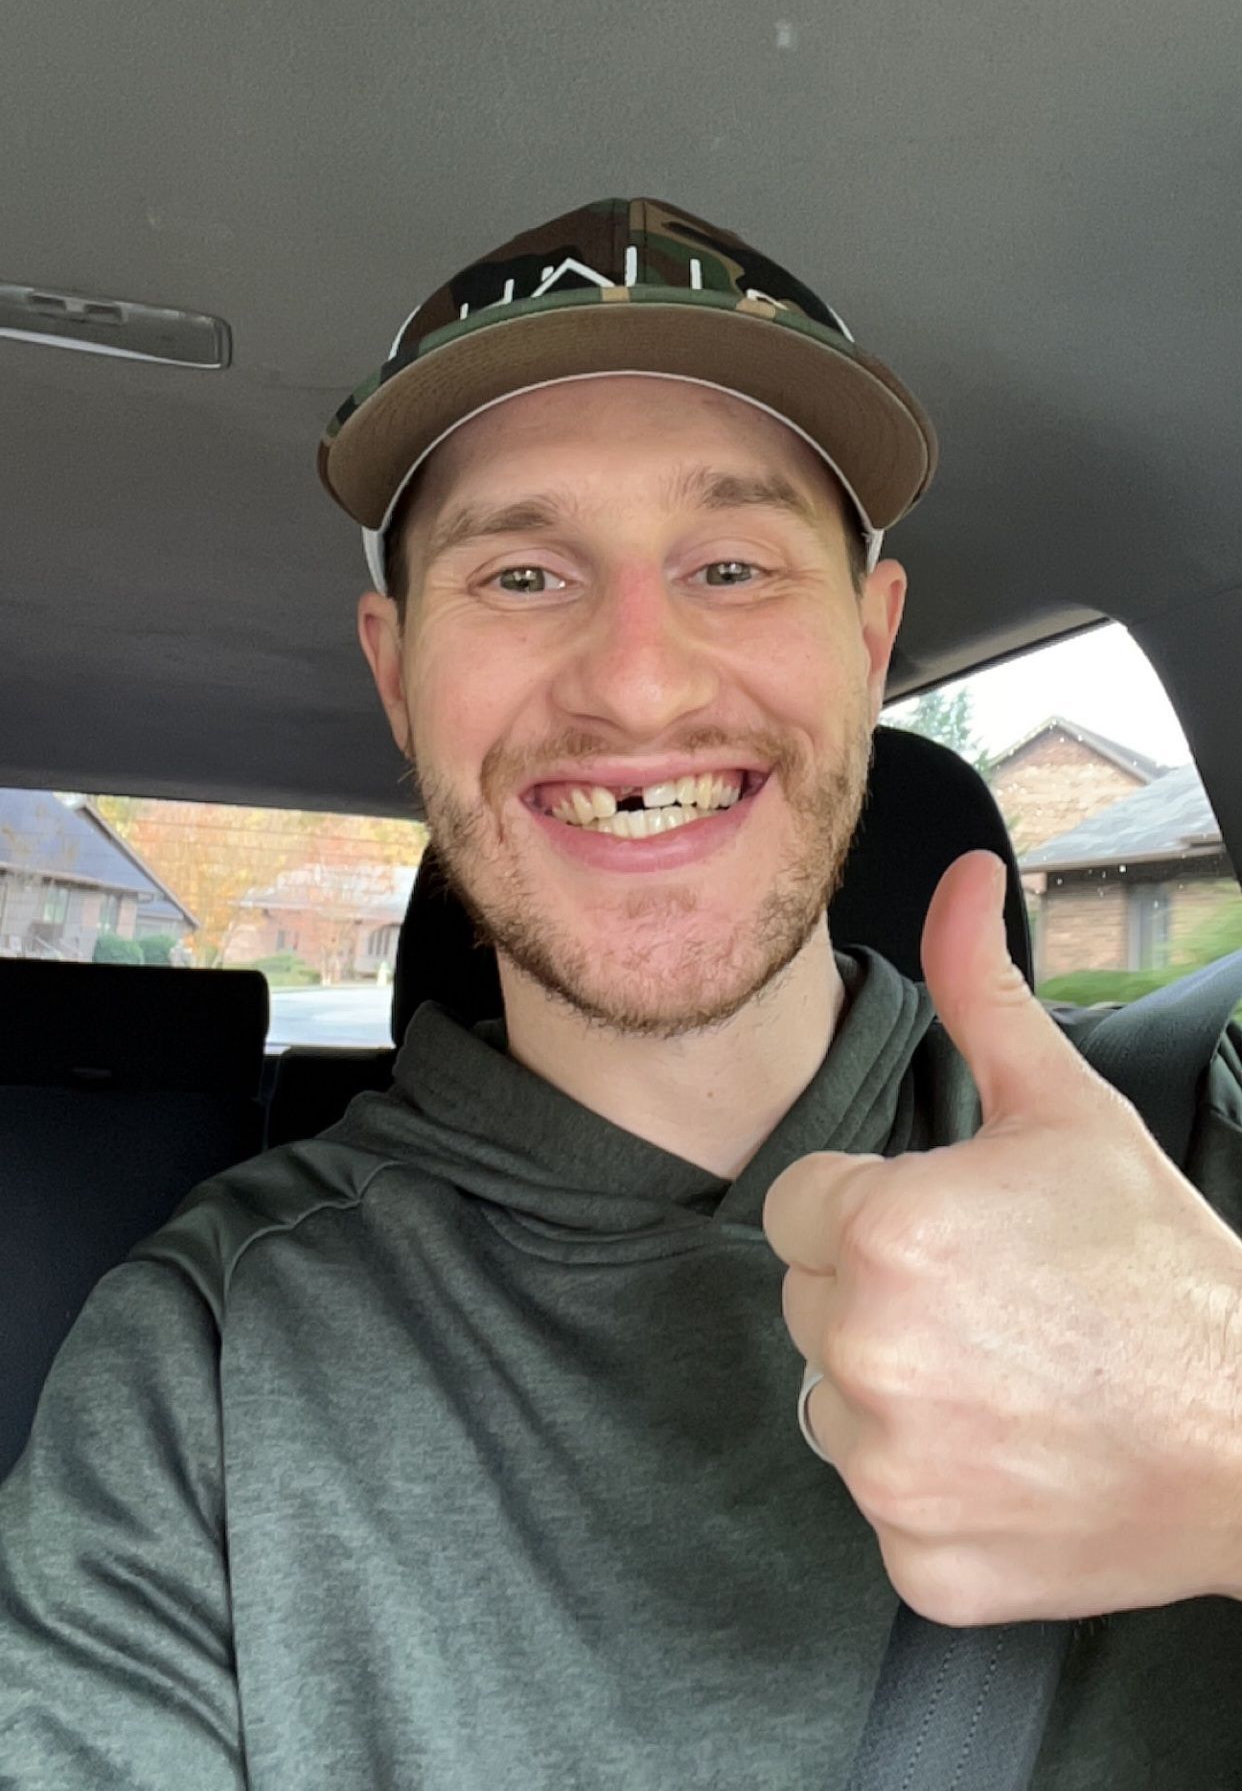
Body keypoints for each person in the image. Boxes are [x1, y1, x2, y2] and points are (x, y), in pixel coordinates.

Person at [1, 196, 1240, 1789]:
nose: (637, 681)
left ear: (871, 645)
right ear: (394, 670)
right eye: (520, 576)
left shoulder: (1191, 1140)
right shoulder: (202, 1366)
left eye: (729, 563)